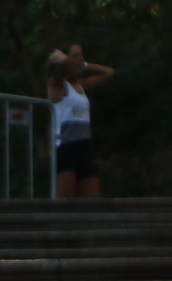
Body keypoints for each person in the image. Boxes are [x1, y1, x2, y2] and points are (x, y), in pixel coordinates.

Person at [47, 44, 112, 200]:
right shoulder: (59, 86)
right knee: (66, 202)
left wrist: (84, 65)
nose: (80, 59)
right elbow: (57, 75)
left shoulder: (80, 86)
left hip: (85, 146)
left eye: (81, 55)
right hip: (66, 146)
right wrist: (63, 61)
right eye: (75, 55)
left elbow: (108, 73)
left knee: (91, 201)